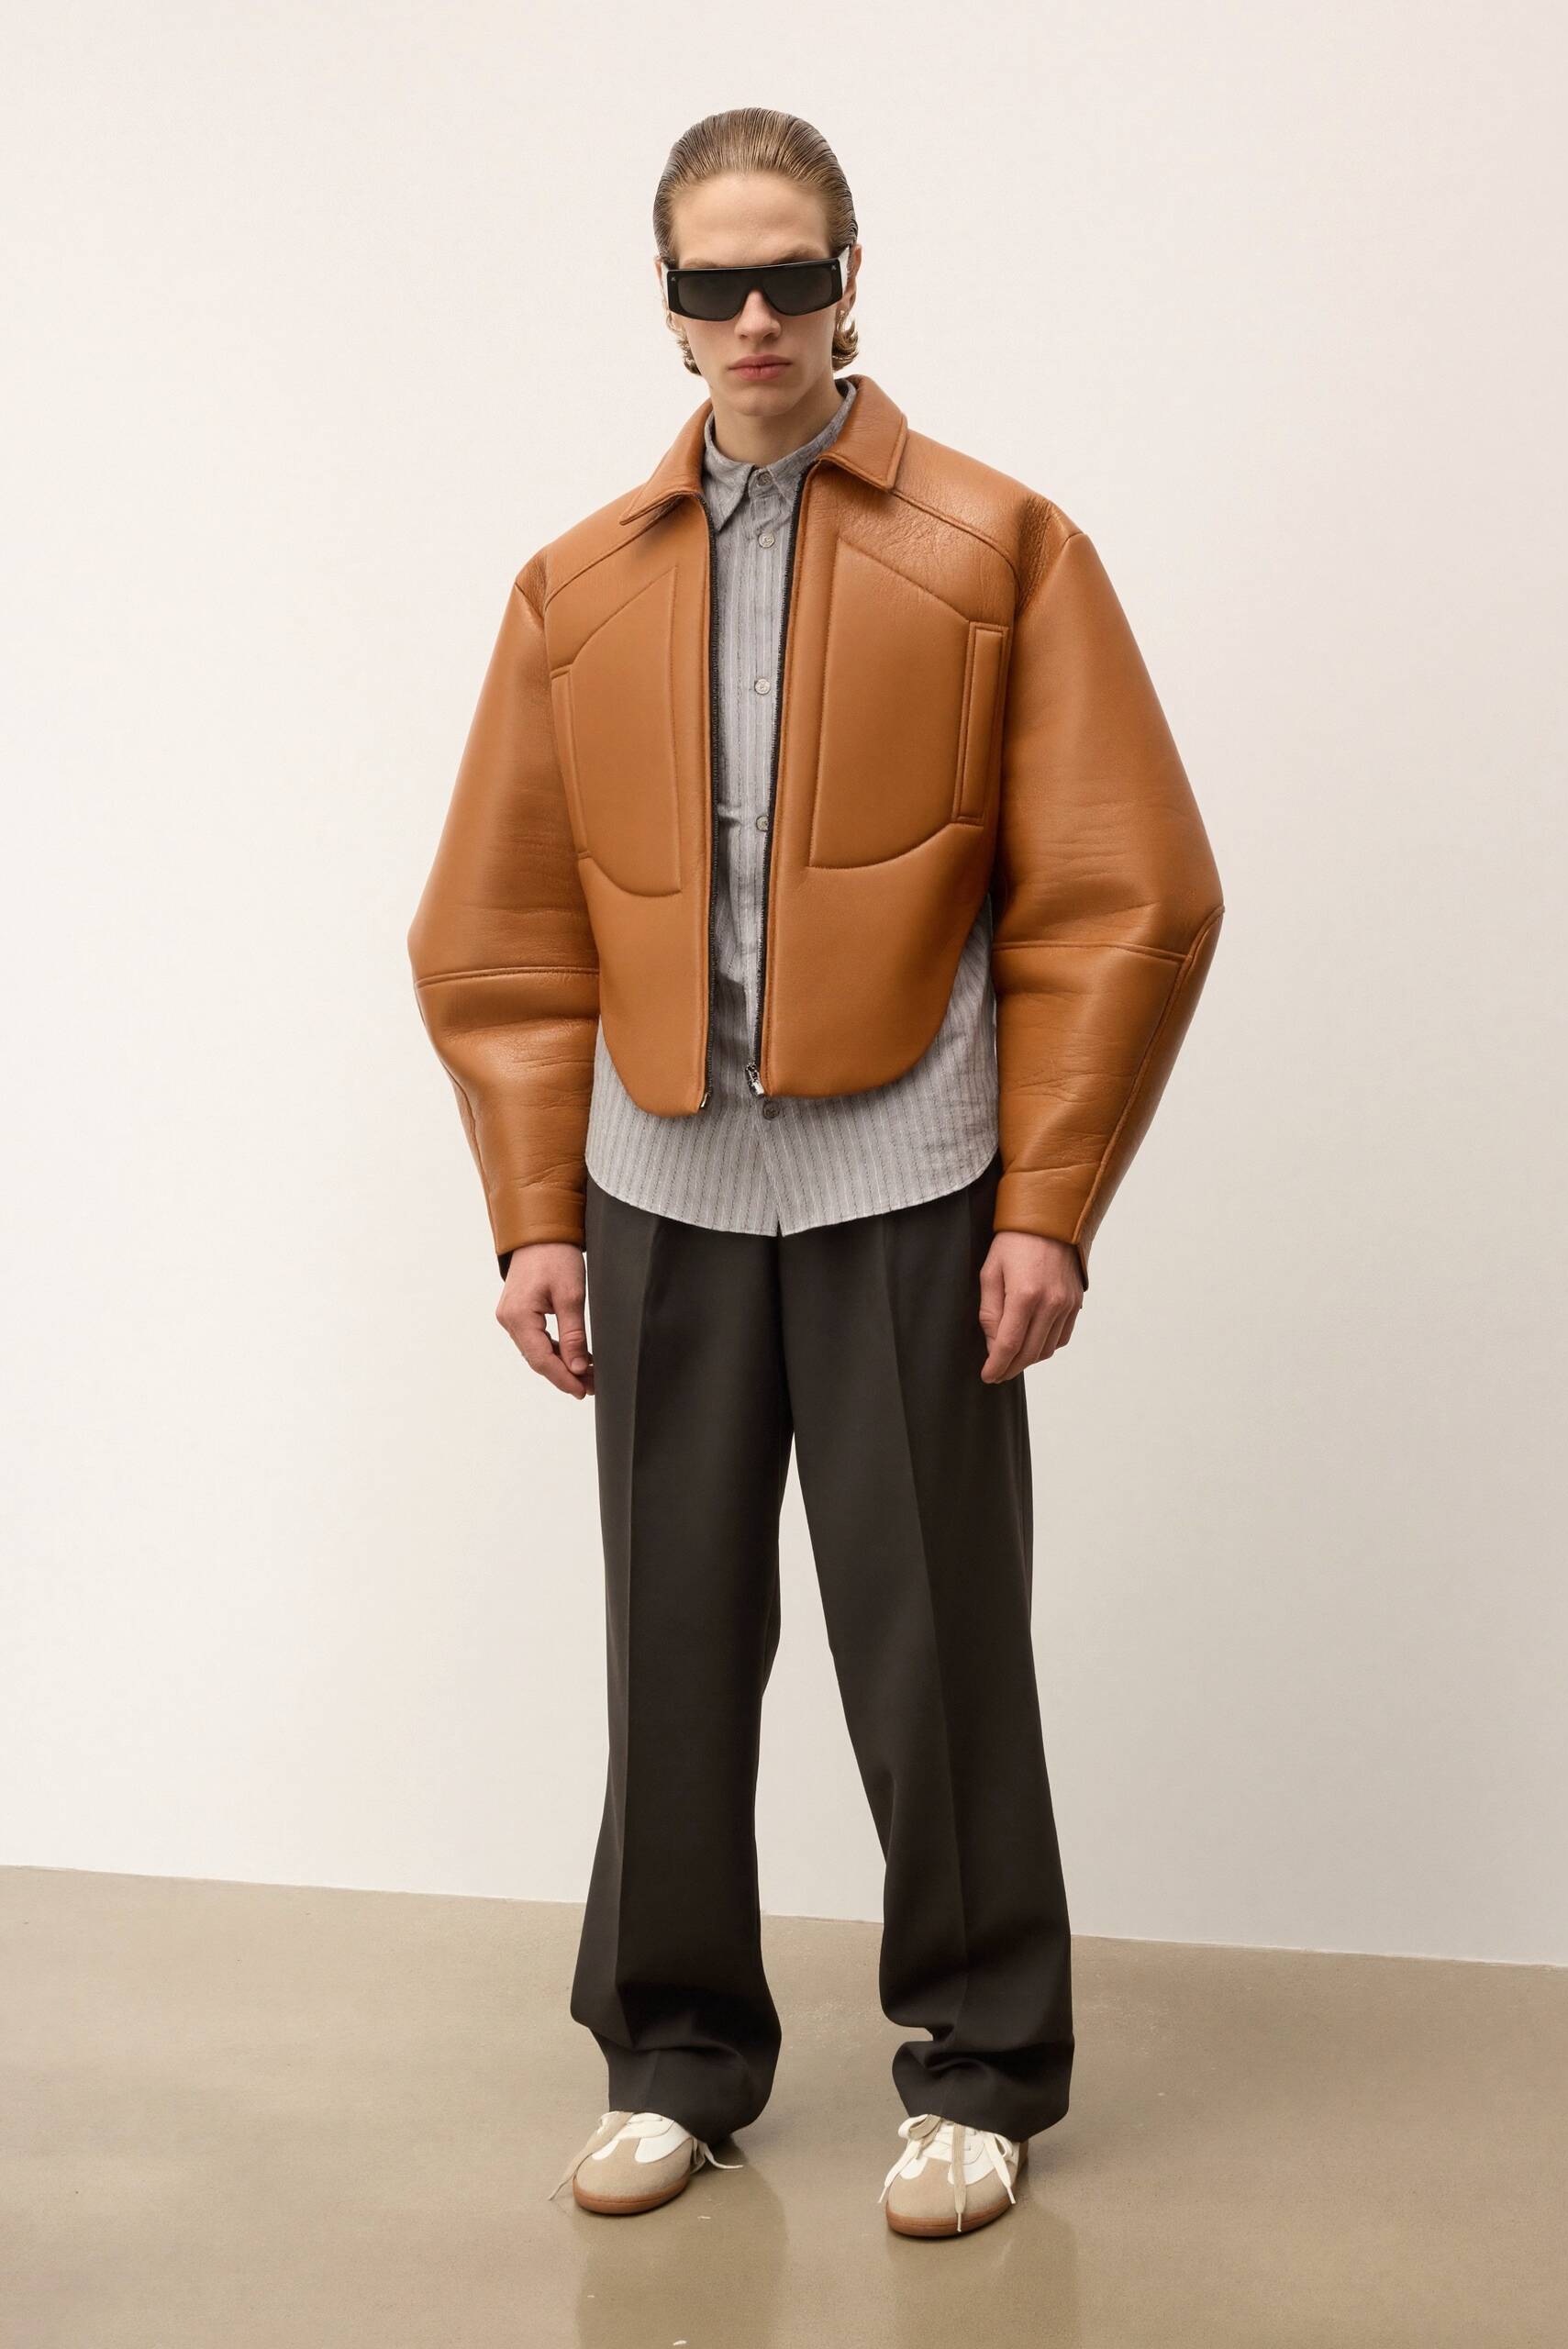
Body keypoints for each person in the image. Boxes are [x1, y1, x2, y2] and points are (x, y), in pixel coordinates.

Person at [406, 106, 1225, 2241]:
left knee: (934, 1647)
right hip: (660, 1186)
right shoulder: (577, 583)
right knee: (669, 1645)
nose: (755, 317)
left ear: (853, 279)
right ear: (667, 303)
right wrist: (536, 1210)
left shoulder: (1002, 544)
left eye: (791, 276)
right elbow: (501, 924)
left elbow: (1125, 888)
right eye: (715, 283)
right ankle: (672, 2052)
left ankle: (981, 2065)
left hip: (912, 1180)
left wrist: (1045, 1199)